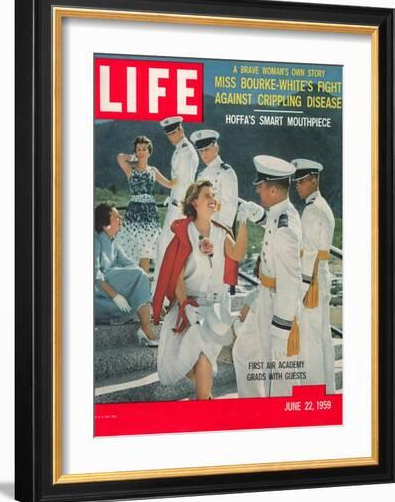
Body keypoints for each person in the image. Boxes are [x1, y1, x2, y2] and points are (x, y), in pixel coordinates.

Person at [153, 180, 247, 400]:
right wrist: (185, 305)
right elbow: (176, 274)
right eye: (207, 195)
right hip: (188, 304)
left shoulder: (222, 232)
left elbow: (237, 254)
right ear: (194, 202)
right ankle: (205, 399)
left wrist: (242, 222)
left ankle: (203, 403)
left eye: (214, 195)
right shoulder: (184, 232)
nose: (213, 199)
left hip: (216, 305)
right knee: (178, 358)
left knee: (204, 353)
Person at [233, 155, 302, 397]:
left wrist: (281, 328)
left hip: (276, 305)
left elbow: (291, 283)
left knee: (278, 373)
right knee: (243, 352)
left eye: (260, 188)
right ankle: (254, 412)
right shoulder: (279, 213)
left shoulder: (287, 230)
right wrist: (257, 214)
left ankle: (280, 423)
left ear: (273, 189)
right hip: (264, 296)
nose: (258, 192)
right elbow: (271, 223)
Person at [291, 158, 336, 394]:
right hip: (323, 274)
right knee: (322, 336)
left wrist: (302, 288)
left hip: (313, 280)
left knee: (310, 339)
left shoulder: (311, 210)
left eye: (302, 182)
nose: (298, 187)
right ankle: (326, 390)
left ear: (314, 181)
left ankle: (313, 391)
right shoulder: (323, 205)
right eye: (296, 183)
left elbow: (308, 254)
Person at [94, 203, 158, 347]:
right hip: (98, 291)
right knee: (137, 274)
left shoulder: (113, 242)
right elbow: (94, 274)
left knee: (140, 274)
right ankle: (146, 328)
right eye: (117, 217)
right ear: (105, 224)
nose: (120, 218)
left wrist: (147, 283)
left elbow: (130, 264)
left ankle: (145, 327)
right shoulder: (95, 241)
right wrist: (115, 296)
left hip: (107, 287)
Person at [116, 135, 174, 273]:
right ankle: (133, 283)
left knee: (146, 251)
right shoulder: (131, 170)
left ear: (149, 151)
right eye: (139, 149)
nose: (141, 152)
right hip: (134, 213)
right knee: (131, 249)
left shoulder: (153, 171)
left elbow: (170, 184)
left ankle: (144, 284)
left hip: (149, 214)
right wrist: (134, 158)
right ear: (135, 152)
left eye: (144, 149)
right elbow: (120, 157)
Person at [153, 116, 199, 282]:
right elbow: (178, 182)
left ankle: (160, 293)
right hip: (176, 204)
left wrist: (179, 204)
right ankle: (164, 292)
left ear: (181, 130)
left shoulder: (185, 152)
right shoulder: (181, 149)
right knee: (168, 248)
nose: (172, 137)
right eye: (169, 134)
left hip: (179, 208)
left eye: (174, 132)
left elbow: (185, 184)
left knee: (164, 248)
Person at [191, 129, 239, 229]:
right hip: (201, 226)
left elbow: (229, 206)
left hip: (218, 225)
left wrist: (223, 231)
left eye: (207, 149)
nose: (204, 154)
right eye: (201, 151)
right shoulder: (201, 174)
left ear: (216, 148)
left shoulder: (226, 172)